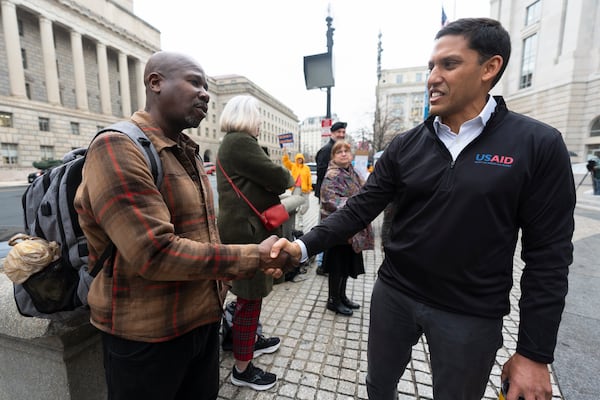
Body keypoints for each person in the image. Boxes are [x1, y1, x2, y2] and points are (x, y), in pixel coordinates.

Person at [271, 18, 575, 400]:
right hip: (394, 294)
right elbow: (361, 207)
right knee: (379, 387)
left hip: (470, 314)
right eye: (431, 66)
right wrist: (300, 249)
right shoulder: (405, 144)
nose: (432, 77)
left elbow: (549, 257)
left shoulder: (538, 144)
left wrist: (533, 352)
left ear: (490, 68)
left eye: (448, 64)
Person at [74, 52, 289, 400]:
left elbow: (204, 235)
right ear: (155, 83)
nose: (204, 93)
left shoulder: (186, 151)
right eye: (194, 82)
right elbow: (153, 253)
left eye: (206, 85)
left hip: (201, 327)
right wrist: (254, 257)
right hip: (147, 340)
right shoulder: (116, 147)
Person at [216, 95, 295, 391]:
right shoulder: (240, 141)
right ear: (246, 116)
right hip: (248, 232)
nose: (261, 121)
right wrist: (282, 177)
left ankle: (247, 342)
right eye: (258, 115)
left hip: (242, 228)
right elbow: (279, 177)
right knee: (250, 299)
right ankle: (242, 367)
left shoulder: (232, 143)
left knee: (250, 296)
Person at [320, 140, 373, 316]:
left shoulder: (353, 172)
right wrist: (356, 205)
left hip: (351, 227)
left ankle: (341, 296)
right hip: (338, 228)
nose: (343, 153)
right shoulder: (332, 175)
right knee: (337, 266)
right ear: (333, 156)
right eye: (339, 151)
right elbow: (330, 200)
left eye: (346, 151)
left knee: (345, 265)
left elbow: (363, 191)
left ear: (351, 155)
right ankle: (333, 300)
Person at [314, 121, 346, 275]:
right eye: (338, 132)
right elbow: (321, 174)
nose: (341, 134)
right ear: (332, 133)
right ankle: (321, 264)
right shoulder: (326, 150)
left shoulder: (339, 149)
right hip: (327, 196)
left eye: (343, 132)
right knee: (326, 227)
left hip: (337, 197)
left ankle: (324, 262)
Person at [282, 151, 313, 227]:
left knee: (306, 205)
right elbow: (286, 162)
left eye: (301, 159)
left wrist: (310, 187)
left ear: (303, 159)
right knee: (296, 205)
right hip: (296, 188)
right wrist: (285, 154)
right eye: (298, 159)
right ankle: (299, 221)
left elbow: (309, 178)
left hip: (305, 189)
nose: (299, 160)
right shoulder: (293, 166)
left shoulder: (306, 168)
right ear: (296, 159)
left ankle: (300, 214)